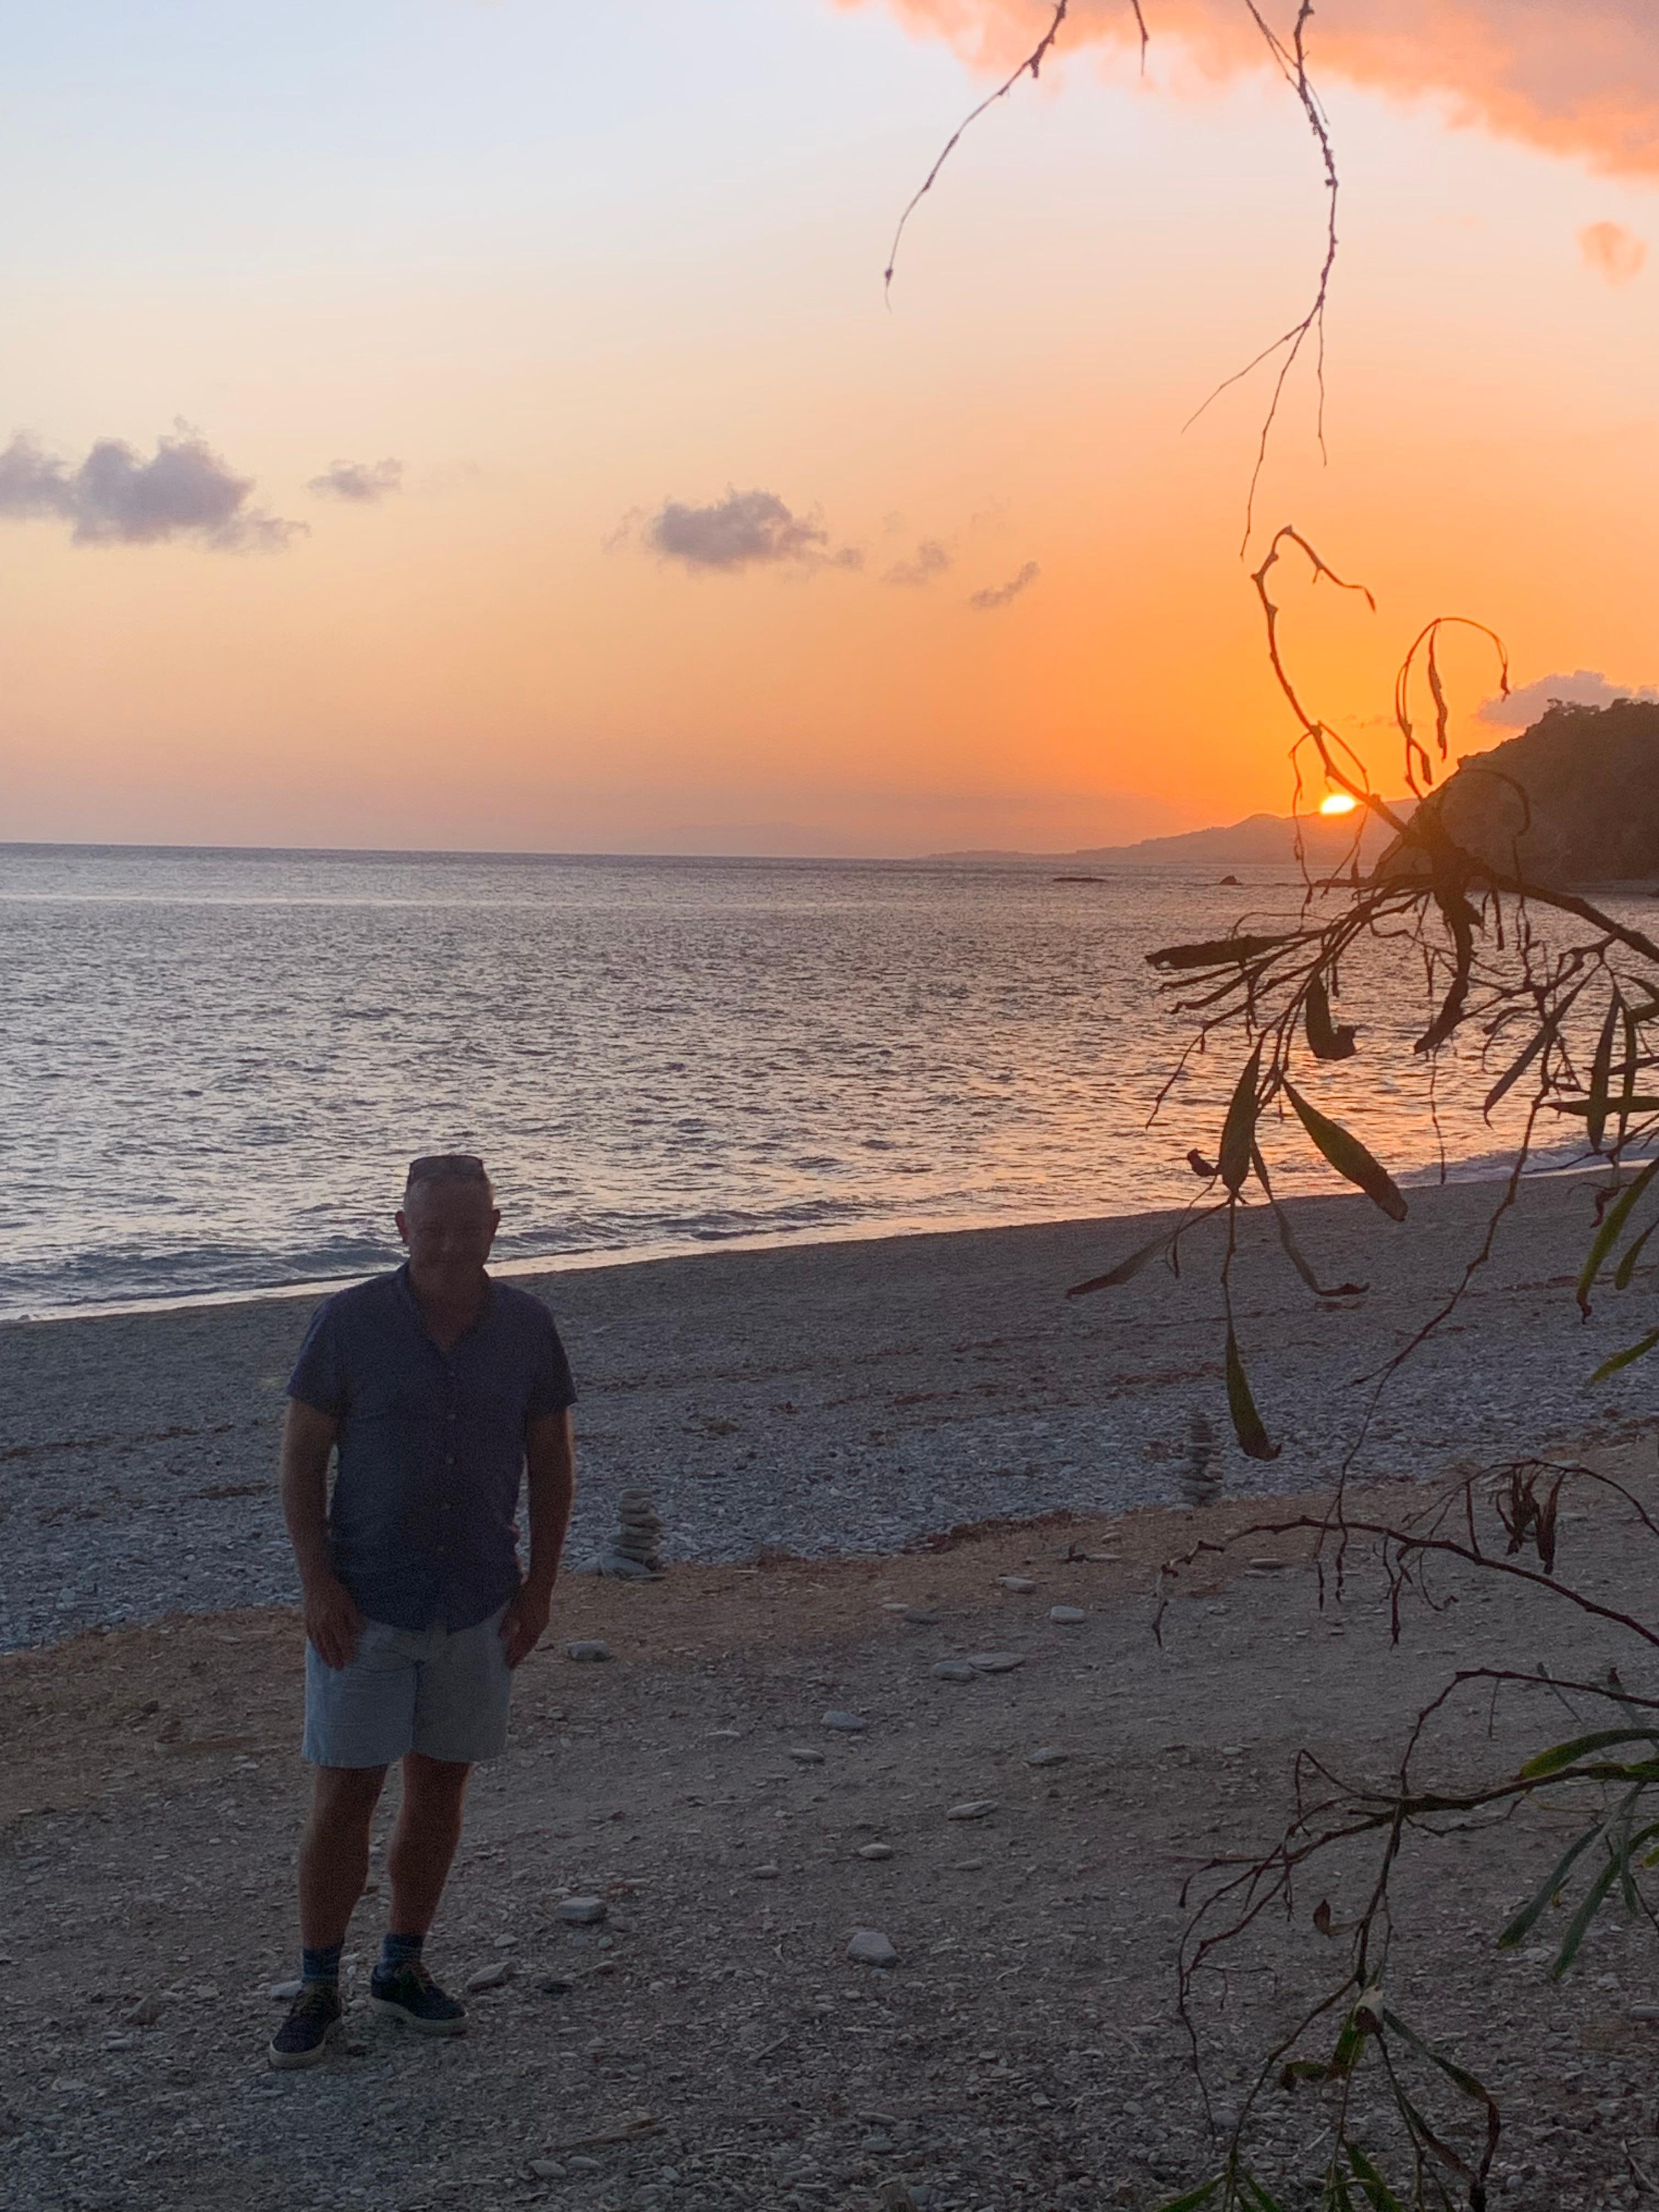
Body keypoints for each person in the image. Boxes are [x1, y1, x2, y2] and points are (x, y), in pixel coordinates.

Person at [268, 1153, 577, 2070]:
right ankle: (317, 1981)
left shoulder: (527, 1327)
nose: (447, 1244)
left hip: (480, 1600)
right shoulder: (349, 1322)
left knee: (440, 1786)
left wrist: (540, 1589)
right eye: (429, 1227)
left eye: (465, 1226)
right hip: (364, 1608)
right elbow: (298, 1461)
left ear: (494, 1225)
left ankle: (401, 1968)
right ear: (402, 1228)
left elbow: (553, 1464)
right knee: (346, 1792)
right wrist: (318, 1584)